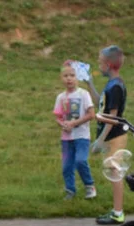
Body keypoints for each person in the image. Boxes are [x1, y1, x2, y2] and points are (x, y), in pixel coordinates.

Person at [94, 45, 129, 226]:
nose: (99, 66)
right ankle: (117, 210)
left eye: (100, 63)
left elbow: (112, 116)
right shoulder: (111, 85)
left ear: (108, 65)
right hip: (110, 136)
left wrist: (101, 140)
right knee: (112, 171)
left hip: (114, 136)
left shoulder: (116, 87)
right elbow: (101, 104)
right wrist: (89, 84)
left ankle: (118, 213)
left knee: (115, 172)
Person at [54, 60, 96, 201]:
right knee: (67, 166)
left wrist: (74, 123)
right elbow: (58, 116)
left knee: (80, 161)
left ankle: (89, 186)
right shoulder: (60, 97)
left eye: (72, 75)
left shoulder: (83, 94)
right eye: (66, 76)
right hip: (66, 138)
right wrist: (63, 125)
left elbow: (91, 114)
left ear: (78, 77)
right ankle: (70, 190)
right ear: (61, 78)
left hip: (82, 136)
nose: (69, 78)